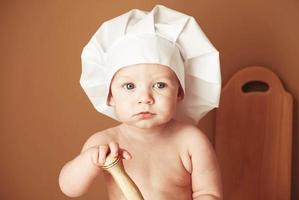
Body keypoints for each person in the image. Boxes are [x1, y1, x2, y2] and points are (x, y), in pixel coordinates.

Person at [59, 4, 222, 200]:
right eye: (129, 86)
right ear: (109, 96)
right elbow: (69, 188)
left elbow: (209, 193)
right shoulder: (105, 143)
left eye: (160, 85)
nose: (145, 98)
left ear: (179, 92)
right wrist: (88, 161)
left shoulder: (192, 142)